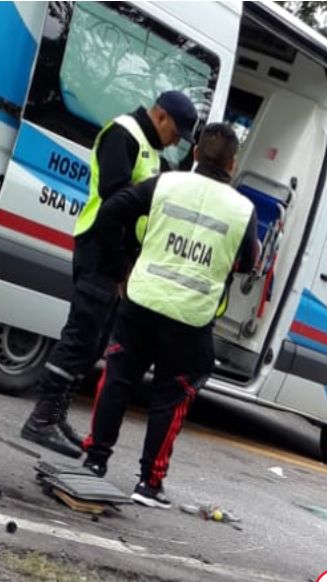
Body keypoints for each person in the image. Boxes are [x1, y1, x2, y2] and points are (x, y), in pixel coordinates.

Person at [80, 123, 260, 507]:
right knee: (170, 398)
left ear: (196, 153)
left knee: (117, 379)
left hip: (141, 300)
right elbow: (248, 261)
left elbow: (110, 211)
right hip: (190, 318)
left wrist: (120, 266)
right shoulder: (243, 211)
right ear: (232, 162)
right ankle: (149, 484)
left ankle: (95, 461)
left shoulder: (164, 184)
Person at [20, 91, 199, 458]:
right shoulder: (124, 134)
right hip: (101, 248)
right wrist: (120, 265)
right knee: (80, 336)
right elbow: (113, 200)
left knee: (95, 342)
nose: (176, 141)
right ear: (160, 116)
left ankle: (57, 416)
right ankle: (41, 418)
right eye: (176, 132)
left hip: (118, 256)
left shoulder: (150, 149)